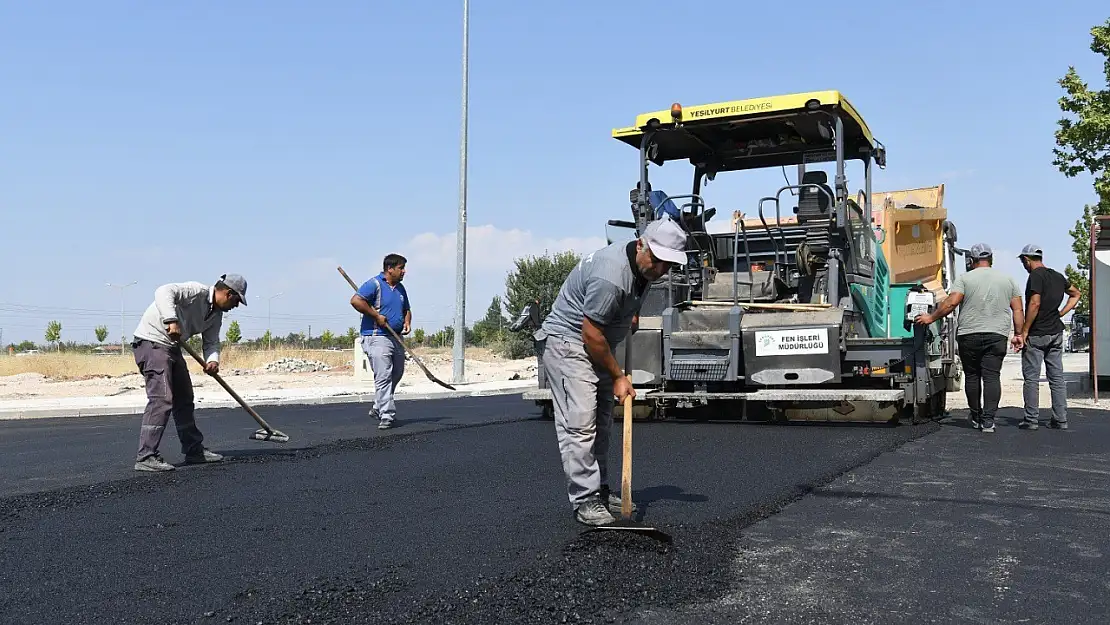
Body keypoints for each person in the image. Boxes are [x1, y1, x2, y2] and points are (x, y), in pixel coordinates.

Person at [537, 216, 687, 526]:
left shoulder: (644, 268)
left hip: (597, 341)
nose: (660, 270)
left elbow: (614, 311)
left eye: (668, 265)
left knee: (602, 421)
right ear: (642, 244)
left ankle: (601, 491)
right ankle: (585, 500)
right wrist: (619, 376)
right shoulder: (611, 275)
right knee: (580, 423)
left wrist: (628, 314)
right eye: (657, 261)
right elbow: (590, 333)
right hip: (569, 342)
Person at [131, 274, 247, 471]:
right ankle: (146, 456)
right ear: (228, 293)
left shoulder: (215, 316)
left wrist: (212, 361)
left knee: (184, 398)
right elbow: (163, 291)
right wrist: (171, 320)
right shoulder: (196, 291)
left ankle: (194, 451)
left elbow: (211, 342)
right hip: (151, 342)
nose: (236, 306)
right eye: (237, 301)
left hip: (172, 347)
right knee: (162, 398)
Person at [915, 243, 1023, 433]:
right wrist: (1019, 334)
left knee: (972, 376)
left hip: (969, 335)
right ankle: (989, 421)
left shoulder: (965, 278)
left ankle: (976, 416)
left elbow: (951, 303)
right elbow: (1017, 309)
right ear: (991, 259)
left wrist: (930, 318)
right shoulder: (1008, 280)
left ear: (971, 261)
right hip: (997, 335)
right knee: (991, 377)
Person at [1018, 244, 1081, 430]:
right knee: (1057, 378)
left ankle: (1031, 420)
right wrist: (1061, 313)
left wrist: (1025, 330)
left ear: (1027, 260)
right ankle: (1060, 419)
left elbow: (1034, 303)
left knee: (1031, 378)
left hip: (1038, 333)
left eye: (1023, 261)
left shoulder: (1035, 276)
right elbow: (1076, 294)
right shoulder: (1057, 276)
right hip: (1056, 332)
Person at [351, 253, 411, 430]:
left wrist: (407, 321)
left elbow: (406, 309)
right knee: (383, 375)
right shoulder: (374, 284)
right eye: (401, 268)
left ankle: (378, 406)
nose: (404, 271)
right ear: (389, 269)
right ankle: (387, 414)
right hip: (376, 336)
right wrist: (376, 315)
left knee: (397, 372)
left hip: (396, 337)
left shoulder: (400, 289)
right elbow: (356, 301)